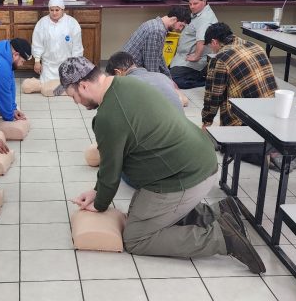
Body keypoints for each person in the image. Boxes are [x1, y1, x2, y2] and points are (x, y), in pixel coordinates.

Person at [57, 56, 265, 274]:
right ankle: (214, 213)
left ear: (83, 85)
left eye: (73, 96)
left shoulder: (108, 116)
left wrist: (99, 204)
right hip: (200, 161)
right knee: (146, 213)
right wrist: (96, 191)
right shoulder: (126, 82)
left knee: (136, 238)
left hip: (185, 177)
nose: (76, 102)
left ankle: (221, 238)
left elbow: (111, 172)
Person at [201, 23, 277, 129]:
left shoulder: (220, 59)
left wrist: (206, 121)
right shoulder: (256, 46)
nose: (212, 50)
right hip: (272, 111)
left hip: (245, 120)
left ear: (214, 42)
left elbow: (213, 95)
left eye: (210, 46)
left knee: (223, 94)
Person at [105, 51, 184, 113]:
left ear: (118, 72)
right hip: (181, 127)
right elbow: (184, 100)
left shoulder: (126, 83)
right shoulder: (162, 76)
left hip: (159, 130)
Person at [170, 0, 219, 89]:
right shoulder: (198, 13)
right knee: (166, 74)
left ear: (204, 2)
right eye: (190, 4)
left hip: (195, 60)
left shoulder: (204, 18)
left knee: (174, 79)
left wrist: (196, 56)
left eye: (195, 3)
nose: (192, 6)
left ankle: (204, 80)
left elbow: (201, 40)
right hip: (183, 56)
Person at [121, 6, 190, 76]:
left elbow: (159, 57)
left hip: (128, 68)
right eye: (181, 25)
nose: (180, 29)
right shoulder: (157, 31)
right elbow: (151, 67)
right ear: (174, 19)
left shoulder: (155, 23)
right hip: (127, 73)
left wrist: (169, 77)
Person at [32, 0, 83, 82]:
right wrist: (37, 61)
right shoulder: (42, 23)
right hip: (48, 66)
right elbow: (37, 44)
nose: (54, 13)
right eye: (52, 10)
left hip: (67, 65)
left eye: (57, 10)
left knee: (68, 86)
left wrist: (75, 64)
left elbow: (77, 47)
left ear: (63, 9)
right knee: (47, 88)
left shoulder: (72, 23)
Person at [0, 38, 32, 121]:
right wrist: (10, 116)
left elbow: (10, 84)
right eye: (22, 61)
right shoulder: (1, 66)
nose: (21, 65)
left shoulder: (3, 52)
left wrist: (14, 109)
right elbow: (3, 94)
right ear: (16, 55)